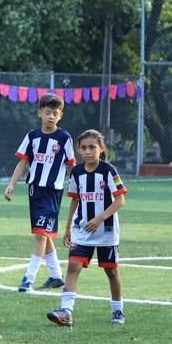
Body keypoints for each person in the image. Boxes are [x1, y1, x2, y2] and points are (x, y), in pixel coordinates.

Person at [48, 129, 127, 327]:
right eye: (83, 148)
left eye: (92, 147)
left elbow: (120, 201)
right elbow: (75, 201)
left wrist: (100, 218)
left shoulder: (109, 171)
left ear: (102, 149)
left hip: (106, 231)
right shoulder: (76, 172)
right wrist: (68, 228)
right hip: (82, 230)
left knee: (111, 271)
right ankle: (66, 312)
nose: (87, 151)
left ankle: (118, 310)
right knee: (73, 266)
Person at [4, 93, 77, 292]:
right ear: (40, 113)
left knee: (40, 234)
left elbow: (72, 165)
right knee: (43, 234)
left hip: (52, 192)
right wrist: (12, 184)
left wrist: (79, 186)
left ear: (61, 115)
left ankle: (29, 278)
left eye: (55, 113)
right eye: (47, 112)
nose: (51, 116)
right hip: (34, 190)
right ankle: (56, 276)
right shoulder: (32, 136)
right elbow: (23, 162)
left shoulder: (64, 138)